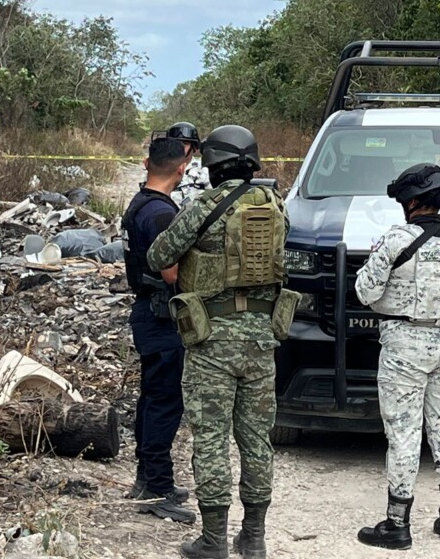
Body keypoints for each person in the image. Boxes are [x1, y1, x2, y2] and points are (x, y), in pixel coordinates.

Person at [147, 125, 290, 559]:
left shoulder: (204, 206)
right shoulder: (276, 205)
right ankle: (254, 537)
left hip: (212, 340)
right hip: (263, 338)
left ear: (212, 165)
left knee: (211, 437)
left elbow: (158, 256)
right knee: (256, 438)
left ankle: (213, 541)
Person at [355, 163, 440, 550]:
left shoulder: (396, 240)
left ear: (413, 202)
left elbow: (365, 291)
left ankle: (397, 524)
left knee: (403, 433)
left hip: (406, 345)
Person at [120, 137, 196, 524]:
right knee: (165, 402)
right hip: (161, 317)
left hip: (148, 315)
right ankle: (158, 488)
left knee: (152, 397)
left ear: (148, 163)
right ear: (182, 168)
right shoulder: (161, 214)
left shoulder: (141, 203)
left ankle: (147, 477)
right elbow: (172, 272)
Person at [166, 121, 209, 207]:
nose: (179, 147)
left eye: (185, 144)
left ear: (194, 147)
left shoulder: (204, 171)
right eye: (175, 143)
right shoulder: (160, 168)